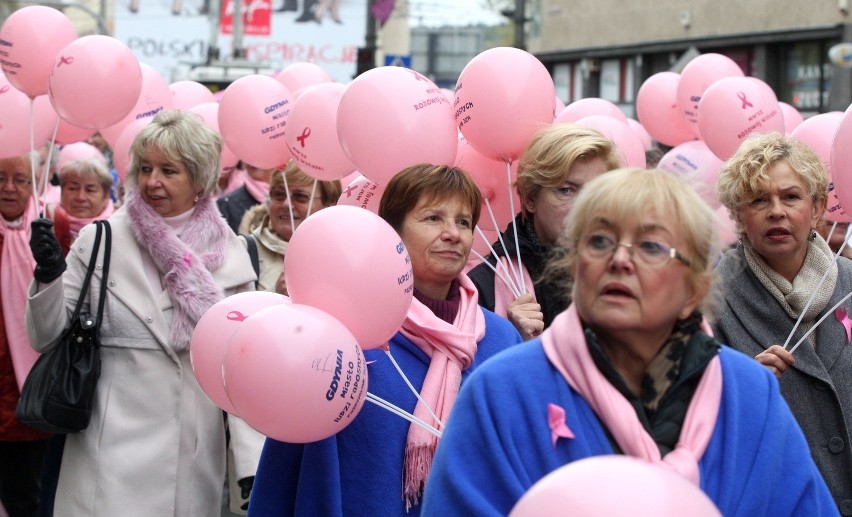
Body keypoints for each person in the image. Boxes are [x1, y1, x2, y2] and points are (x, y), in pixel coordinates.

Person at [421, 167, 837, 516]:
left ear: (694, 288)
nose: (619, 259)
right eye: (599, 241)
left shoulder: (748, 391)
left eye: (651, 246)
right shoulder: (501, 392)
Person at [25, 110, 264, 516]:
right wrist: (48, 276)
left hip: (190, 453)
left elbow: (240, 370)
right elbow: (45, 336)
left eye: (169, 170)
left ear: (201, 181)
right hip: (107, 450)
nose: (153, 181)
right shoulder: (101, 240)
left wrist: (250, 462)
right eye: (146, 168)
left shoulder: (234, 254)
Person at [248, 164, 523, 516]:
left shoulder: (501, 341)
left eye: (464, 222)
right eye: (433, 218)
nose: (453, 233)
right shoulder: (348, 337)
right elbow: (293, 470)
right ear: (394, 233)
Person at [713, 132, 852, 511]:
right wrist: (744, 387)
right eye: (758, 199)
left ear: (818, 207)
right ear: (738, 215)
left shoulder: (850, 281)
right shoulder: (708, 300)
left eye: (791, 196)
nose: (776, 211)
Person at [468, 124, 620, 340]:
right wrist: (508, 338)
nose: (583, 206)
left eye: (596, 192)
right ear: (530, 199)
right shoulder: (484, 286)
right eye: (566, 190)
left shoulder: (625, 270)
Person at [0, 152, 50, 517]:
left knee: (27, 498)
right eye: (0, 178)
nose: (8, 188)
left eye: (19, 179)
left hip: (31, 394)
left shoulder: (52, 228)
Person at [239, 162, 341, 294]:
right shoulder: (243, 250)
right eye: (279, 195)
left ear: (328, 205)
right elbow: (227, 311)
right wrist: (276, 294)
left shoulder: (342, 255)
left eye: (300, 197)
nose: (286, 204)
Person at [44, 157, 115, 256]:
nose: (80, 197)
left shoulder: (118, 226)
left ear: (106, 196)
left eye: (90, 190)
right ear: (61, 192)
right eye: (73, 188)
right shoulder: (45, 221)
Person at [217, 162, 275, 234]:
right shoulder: (226, 204)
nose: (252, 161)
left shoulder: (288, 196)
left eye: (260, 153)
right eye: (249, 155)